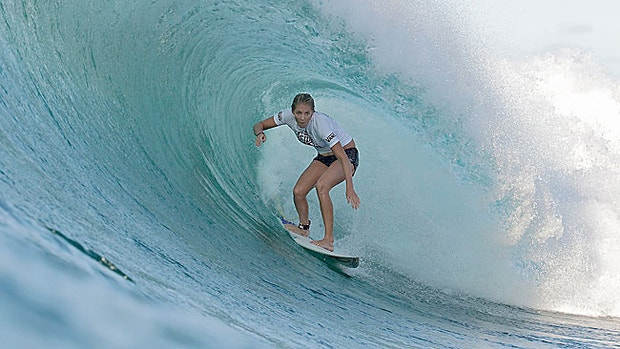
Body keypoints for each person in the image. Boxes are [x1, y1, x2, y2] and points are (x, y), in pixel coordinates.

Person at [253, 93, 360, 252]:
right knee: (299, 191)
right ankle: (303, 228)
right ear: (293, 111)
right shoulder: (287, 116)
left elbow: (342, 157)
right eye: (299, 113)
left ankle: (328, 240)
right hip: (324, 157)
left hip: (346, 155)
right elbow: (259, 124)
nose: (302, 118)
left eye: (307, 113)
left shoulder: (321, 124)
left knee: (322, 187)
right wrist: (260, 133)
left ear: (313, 113)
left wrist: (349, 187)